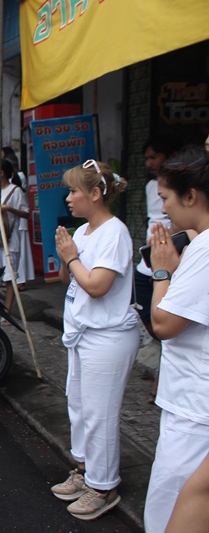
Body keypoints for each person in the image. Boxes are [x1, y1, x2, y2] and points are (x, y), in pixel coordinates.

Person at [51, 159, 137, 520]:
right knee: (82, 409)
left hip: (107, 336)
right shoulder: (84, 231)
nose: (68, 198)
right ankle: (87, 472)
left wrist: (70, 258)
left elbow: (97, 286)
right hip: (84, 334)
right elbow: (70, 281)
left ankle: (104, 486)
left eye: (74, 190)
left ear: (97, 193)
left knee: (100, 413)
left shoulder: (115, 232)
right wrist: (66, 259)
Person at [143, 147, 209, 532]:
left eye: (166, 198)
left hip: (194, 406)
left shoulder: (204, 247)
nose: (163, 209)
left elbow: (164, 323)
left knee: (171, 508)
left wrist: (162, 272)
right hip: (191, 399)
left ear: (191, 196)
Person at [136, 135, 181, 404]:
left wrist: (164, 269)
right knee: (147, 314)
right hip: (149, 263)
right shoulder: (150, 185)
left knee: (165, 322)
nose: (149, 162)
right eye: (146, 158)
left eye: (154, 156)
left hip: (166, 263)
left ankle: (161, 381)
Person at [0, 158, 29, 315]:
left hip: (10, 238)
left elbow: (26, 213)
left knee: (10, 277)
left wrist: (9, 209)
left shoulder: (15, 191)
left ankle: (7, 312)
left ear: (2, 172)